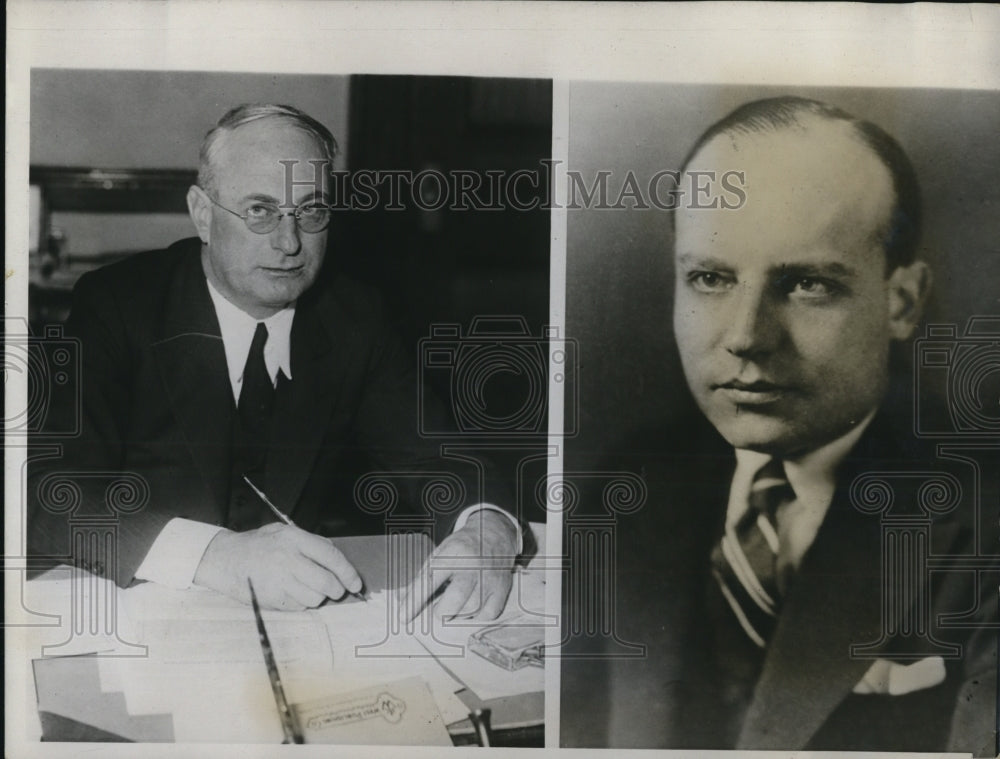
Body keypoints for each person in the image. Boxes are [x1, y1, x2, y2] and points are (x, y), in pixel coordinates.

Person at [565, 97, 996, 754]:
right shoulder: (635, 479)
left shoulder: (982, 517)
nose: (745, 336)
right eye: (710, 277)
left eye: (806, 285)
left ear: (901, 301)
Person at [27, 103, 520, 618]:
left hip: (297, 625)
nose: (289, 244)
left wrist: (488, 528)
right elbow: (47, 491)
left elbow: (440, 459)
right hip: (142, 611)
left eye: (311, 212)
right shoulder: (117, 305)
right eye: (260, 210)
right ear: (202, 213)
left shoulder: (353, 315)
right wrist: (217, 555)